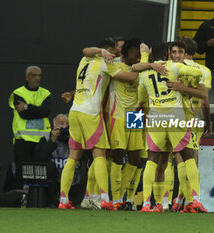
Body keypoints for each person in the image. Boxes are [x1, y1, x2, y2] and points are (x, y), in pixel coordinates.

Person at [58, 39, 138, 210]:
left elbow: (86, 51)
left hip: (81, 112)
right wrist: (148, 66)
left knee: (136, 157)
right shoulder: (106, 62)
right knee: (104, 155)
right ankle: (104, 199)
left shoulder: (85, 60)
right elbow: (129, 76)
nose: (118, 51)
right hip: (105, 114)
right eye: (116, 48)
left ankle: (64, 200)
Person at [136, 42, 207, 213]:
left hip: (156, 119)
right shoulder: (174, 67)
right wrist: (189, 83)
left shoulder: (144, 74)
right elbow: (198, 72)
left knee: (153, 161)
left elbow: (140, 101)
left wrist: (137, 119)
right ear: (168, 53)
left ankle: (149, 204)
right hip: (175, 118)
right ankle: (195, 200)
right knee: (188, 157)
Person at [8, 66, 52, 189]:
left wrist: (27, 106)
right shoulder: (18, 93)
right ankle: (18, 200)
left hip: (41, 141)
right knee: (20, 173)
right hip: (23, 139)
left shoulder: (45, 93)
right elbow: (23, 115)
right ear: (27, 78)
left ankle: (39, 202)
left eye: (39, 75)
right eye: (34, 75)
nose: (37, 78)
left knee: (41, 174)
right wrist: (37, 110)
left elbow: (46, 112)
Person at [34, 114, 86, 207]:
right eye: (61, 123)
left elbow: (86, 159)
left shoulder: (77, 141)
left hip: (74, 187)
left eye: (67, 124)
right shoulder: (46, 139)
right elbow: (40, 159)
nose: (65, 126)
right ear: (54, 126)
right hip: (53, 187)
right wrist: (52, 141)